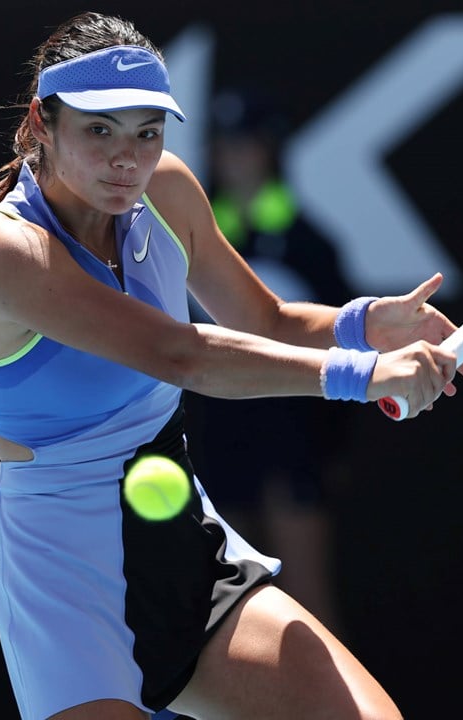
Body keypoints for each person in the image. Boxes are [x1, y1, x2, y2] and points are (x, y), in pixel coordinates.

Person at [0, 10, 463, 720]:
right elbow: (185, 354)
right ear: (42, 123)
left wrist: (365, 325)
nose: (126, 160)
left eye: (147, 133)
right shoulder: (1, 256)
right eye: (99, 131)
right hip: (65, 578)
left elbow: (264, 320)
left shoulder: (167, 190)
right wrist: (360, 376)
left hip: (184, 547)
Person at [185, 87, 356, 637]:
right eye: (224, 147)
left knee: (307, 600)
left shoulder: (311, 245)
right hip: (217, 440)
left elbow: (346, 348)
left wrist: (333, 447)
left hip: (293, 441)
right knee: (223, 611)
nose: (234, 159)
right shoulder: (185, 247)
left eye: (246, 146)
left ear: (268, 152)